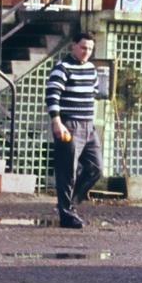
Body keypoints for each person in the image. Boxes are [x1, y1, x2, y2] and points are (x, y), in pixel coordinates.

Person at [46, 31, 104, 229]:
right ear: (73, 46)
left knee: (95, 168)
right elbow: (52, 95)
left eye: (90, 49)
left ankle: (68, 204)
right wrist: (56, 121)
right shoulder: (62, 68)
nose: (86, 52)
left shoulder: (91, 69)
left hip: (88, 126)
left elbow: (94, 92)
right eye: (83, 47)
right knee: (67, 171)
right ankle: (67, 215)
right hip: (69, 125)